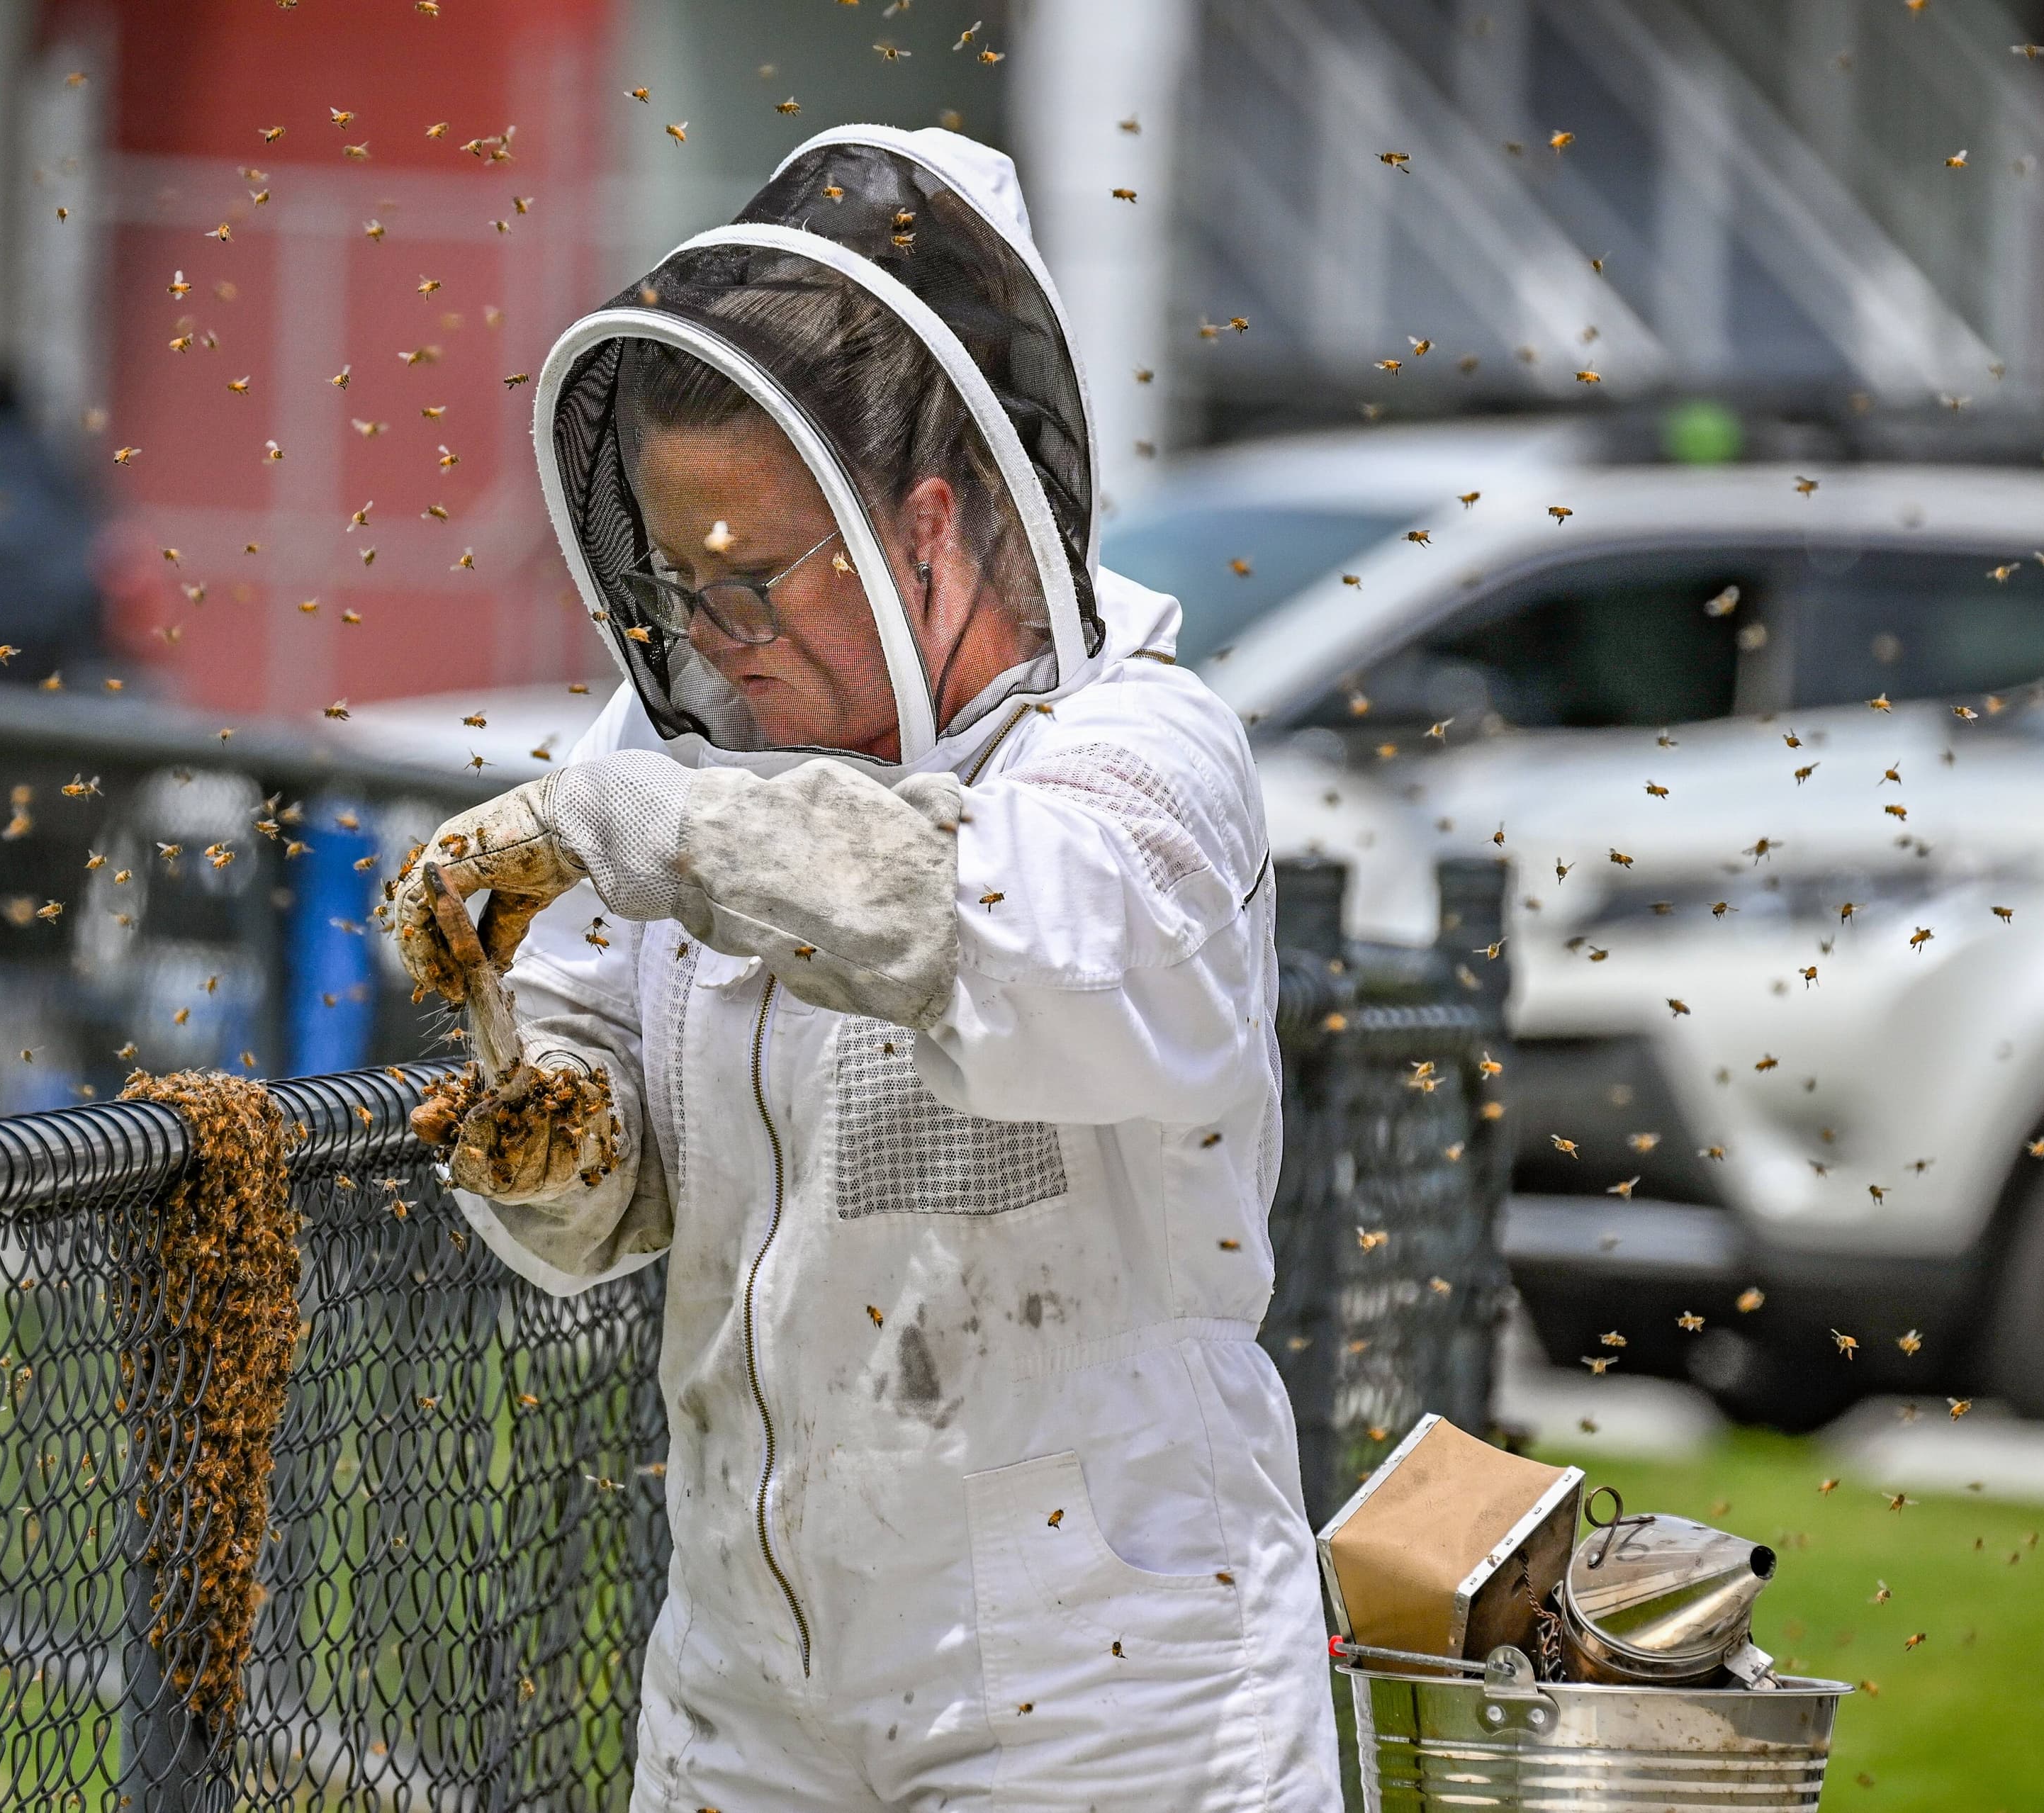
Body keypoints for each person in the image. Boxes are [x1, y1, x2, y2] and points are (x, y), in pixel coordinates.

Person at [389, 125, 1340, 1812]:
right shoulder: (688, 738)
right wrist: (558, 1132)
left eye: (749, 578)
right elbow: (618, 1097)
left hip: (1103, 1691)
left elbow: (1015, 943)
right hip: (747, 1672)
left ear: (918, 524)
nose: (717, 639)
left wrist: (650, 828)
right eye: (678, 583)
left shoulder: (1137, 750)